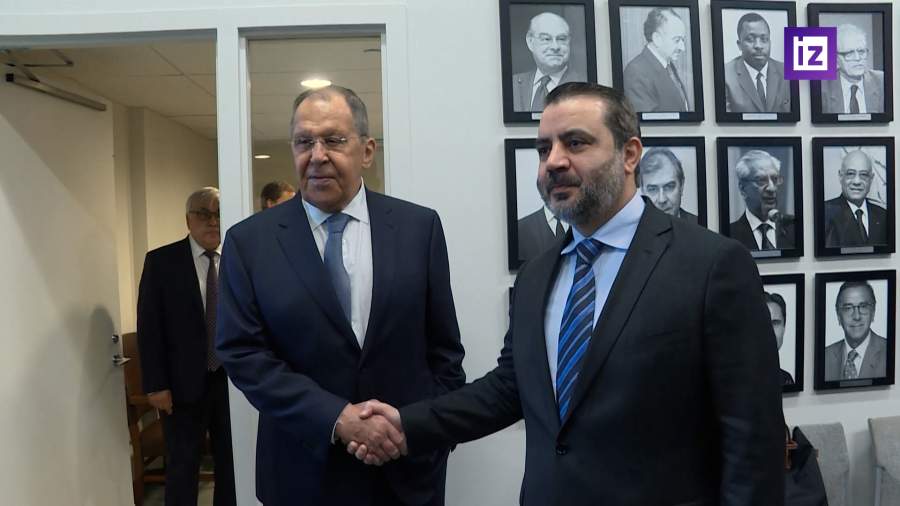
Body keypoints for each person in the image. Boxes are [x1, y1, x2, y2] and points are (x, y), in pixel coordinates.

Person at [352, 83, 785, 504]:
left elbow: (753, 438)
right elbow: (510, 387)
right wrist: (407, 424)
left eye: (575, 143)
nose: (554, 162)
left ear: (629, 154)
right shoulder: (536, 275)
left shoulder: (712, 265)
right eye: (544, 149)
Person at [215, 85, 466, 506]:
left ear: (367, 151)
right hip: (302, 473)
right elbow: (242, 353)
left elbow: (444, 350)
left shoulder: (418, 228)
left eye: (333, 140)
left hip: (406, 471)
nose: (317, 155)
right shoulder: (250, 242)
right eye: (304, 142)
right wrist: (338, 418)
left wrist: (427, 432)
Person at [137, 187, 236, 506]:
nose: (212, 221)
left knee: (231, 465)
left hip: (231, 382)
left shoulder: (237, 259)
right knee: (182, 465)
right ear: (188, 220)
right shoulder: (162, 262)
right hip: (181, 387)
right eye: (203, 214)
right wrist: (155, 385)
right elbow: (149, 327)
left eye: (218, 214)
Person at [512, 12, 586, 112]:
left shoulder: (584, 86)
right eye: (546, 39)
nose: (555, 47)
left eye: (562, 39)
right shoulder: (514, 85)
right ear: (530, 42)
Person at [623, 7, 691, 113]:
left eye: (682, 40)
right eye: (677, 40)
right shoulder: (636, 72)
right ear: (657, 39)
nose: (683, 48)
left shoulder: (669, 66)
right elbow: (647, 120)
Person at [729, 149, 796, 251]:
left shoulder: (793, 227)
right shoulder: (730, 235)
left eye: (775, 179)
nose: (772, 188)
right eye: (761, 180)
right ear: (743, 189)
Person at [724, 13, 791, 113]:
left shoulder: (787, 72)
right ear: (739, 44)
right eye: (750, 39)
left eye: (764, 39)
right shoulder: (726, 75)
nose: (758, 46)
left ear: (770, 42)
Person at [824, 149, 888, 248]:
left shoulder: (883, 216)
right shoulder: (825, 213)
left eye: (863, 174)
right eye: (850, 174)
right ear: (840, 176)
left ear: (871, 179)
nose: (857, 181)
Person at [824, 281, 887, 381]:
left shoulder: (890, 352)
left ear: (873, 312)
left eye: (863, 306)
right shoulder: (825, 356)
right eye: (848, 308)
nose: (857, 316)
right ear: (838, 316)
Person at [822, 24, 884, 114]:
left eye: (861, 51)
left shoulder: (883, 81)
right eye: (849, 53)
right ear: (836, 59)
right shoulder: (823, 87)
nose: (857, 58)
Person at [636, 147, 696, 222]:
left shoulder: (699, 225)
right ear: (642, 190)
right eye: (653, 189)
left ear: (681, 186)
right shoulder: (632, 227)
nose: (662, 200)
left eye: (669, 187)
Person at [765, 291, 794, 385]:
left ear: (784, 327)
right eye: (764, 323)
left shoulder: (786, 379)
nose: (770, 331)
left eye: (775, 323)